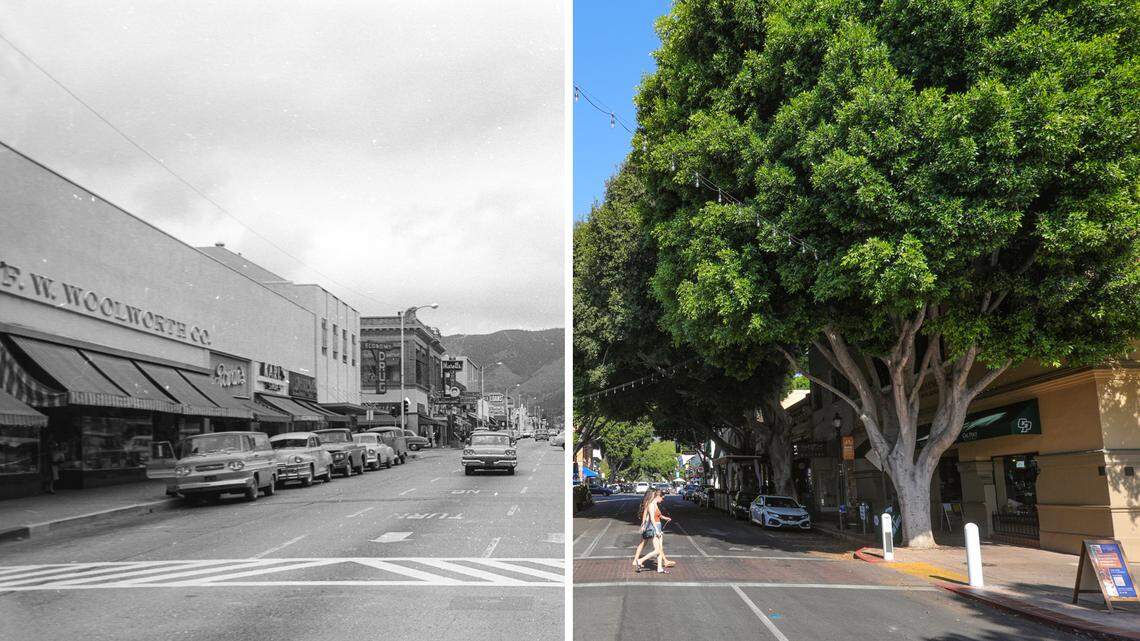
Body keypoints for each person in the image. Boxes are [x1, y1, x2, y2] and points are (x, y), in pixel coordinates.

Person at [633, 489, 672, 573]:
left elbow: (659, 515)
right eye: (662, 498)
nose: (662, 500)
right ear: (658, 496)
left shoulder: (655, 504)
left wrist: (666, 518)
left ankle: (660, 568)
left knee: (660, 548)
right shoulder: (651, 505)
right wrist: (657, 530)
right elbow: (651, 519)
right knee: (657, 550)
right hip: (654, 528)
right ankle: (640, 561)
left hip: (658, 526)